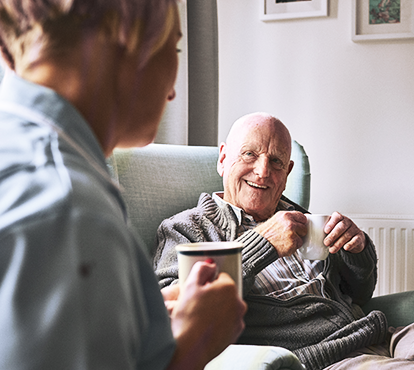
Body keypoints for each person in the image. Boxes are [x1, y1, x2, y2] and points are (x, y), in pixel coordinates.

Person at [0, 1, 246, 370]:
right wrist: (194, 341)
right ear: (123, 37)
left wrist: (131, 318)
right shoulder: (71, 215)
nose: (173, 92)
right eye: (174, 48)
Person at [154, 112, 414, 370]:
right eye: (249, 154)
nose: (263, 172)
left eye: (276, 161)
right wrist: (264, 242)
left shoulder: (301, 219)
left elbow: (359, 295)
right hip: (321, 359)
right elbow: (172, 312)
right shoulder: (187, 229)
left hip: (383, 335)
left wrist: (355, 251)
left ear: (288, 171)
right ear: (223, 158)